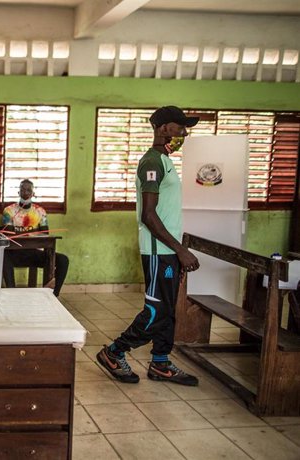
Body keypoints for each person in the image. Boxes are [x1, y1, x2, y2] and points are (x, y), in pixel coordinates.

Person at [96, 106, 201, 386]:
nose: (184, 133)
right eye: (180, 127)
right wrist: (180, 250)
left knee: (167, 309)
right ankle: (114, 352)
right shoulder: (152, 162)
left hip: (167, 252)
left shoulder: (165, 161)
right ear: (164, 128)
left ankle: (160, 363)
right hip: (159, 252)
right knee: (156, 311)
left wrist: (177, 251)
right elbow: (149, 215)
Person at [1, 179, 69, 297]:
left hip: (34, 253)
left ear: (33, 193)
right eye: (23, 189)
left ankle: (54, 294)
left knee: (63, 260)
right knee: (3, 257)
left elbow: (45, 235)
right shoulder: (9, 211)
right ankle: (11, 293)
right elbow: (10, 234)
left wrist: (28, 233)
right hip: (14, 254)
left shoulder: (40, 211)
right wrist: (33, 233)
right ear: (18, 192)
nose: (25, 192)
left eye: (29, 190)